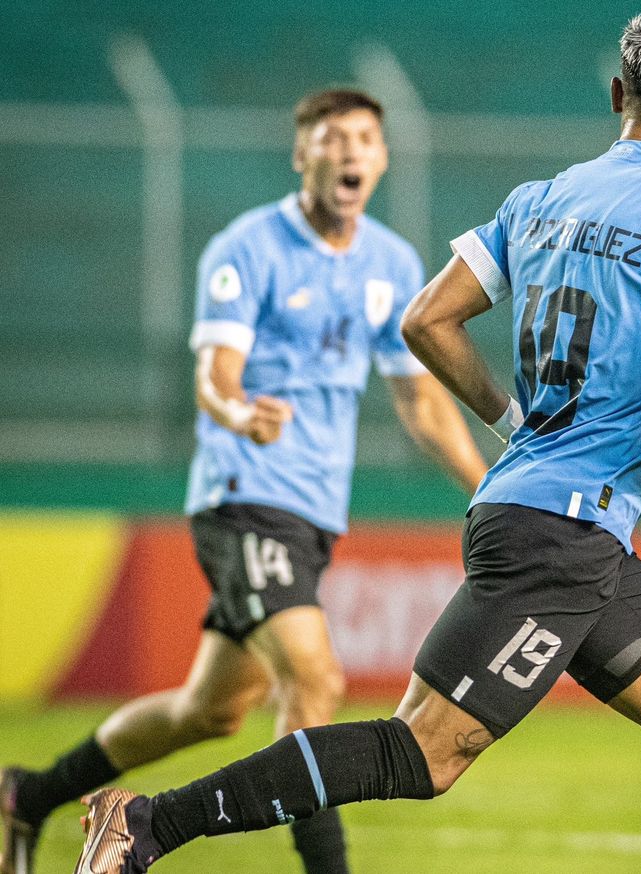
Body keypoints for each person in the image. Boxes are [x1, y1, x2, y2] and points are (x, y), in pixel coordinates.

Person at [67, 7, 641, 874]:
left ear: (618, 94)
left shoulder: (543, 199)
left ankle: (145, 821)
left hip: (566, 525)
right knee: (421, 753)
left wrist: (509, 422)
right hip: (560, 536)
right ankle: (149, 823)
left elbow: (428, 319)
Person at [0, 87, 490, 874]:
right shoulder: (248, 247)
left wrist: (484, 484)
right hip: (243, 497)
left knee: (210, 712)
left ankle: (32, 794)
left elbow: (420, 400)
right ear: (304, 155)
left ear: (384, 158)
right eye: (333, 138)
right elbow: (214, 375)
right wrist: (239, 412)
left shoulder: (393, 264)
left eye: (366, 137)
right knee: (315, 675)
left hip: (314, 515)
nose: (351, 151)